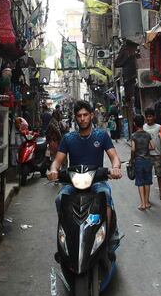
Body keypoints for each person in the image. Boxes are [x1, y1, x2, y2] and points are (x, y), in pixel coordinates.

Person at [47, 100, 123, 244]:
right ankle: (67, 235)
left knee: (105, 196)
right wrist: (53, 170)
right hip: (73, 182)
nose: (82, 118)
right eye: (79, 115)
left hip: (97, 181)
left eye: (85, 115)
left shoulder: (101, 136)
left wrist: (116, 168)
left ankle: (107, 237)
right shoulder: (68, 138)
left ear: (91, 115)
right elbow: (57, 161)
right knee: (60, 199)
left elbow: (114, 157)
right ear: (75, 117)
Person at [143, 108, 161, 203]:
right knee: (147, 176)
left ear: (154, 117)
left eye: (150, 116)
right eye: (147, 117)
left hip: (158, 154)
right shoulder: (144, 127)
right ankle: (146, 198)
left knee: (159, 175)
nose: (149, 118)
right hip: (147, 155)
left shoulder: (159, 127)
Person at [130, 115, 155, 211]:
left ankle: (143, 204)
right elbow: (152, 146)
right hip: (148, 160)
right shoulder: (147, 134)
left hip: (139, 160)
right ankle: (147, 202)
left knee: (140, 181)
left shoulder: (134, 135)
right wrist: (145, 148)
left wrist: (132, 159)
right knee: (147, 181)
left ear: (135, 124)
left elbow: (133, 149)